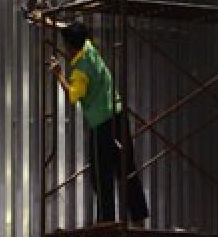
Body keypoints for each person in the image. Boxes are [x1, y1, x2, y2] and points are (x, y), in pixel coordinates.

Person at [47, 20, 149, 225]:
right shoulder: (90, 50)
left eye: (66, 46)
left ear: (71, 47)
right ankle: (138, 214)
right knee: (126, 167)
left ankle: (106, 218)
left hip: (102, 123)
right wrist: (52, 23)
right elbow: (76, 30)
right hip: (119, 117)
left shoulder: (80, 71)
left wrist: (59, 75)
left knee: (101, 171)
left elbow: (73, 96)